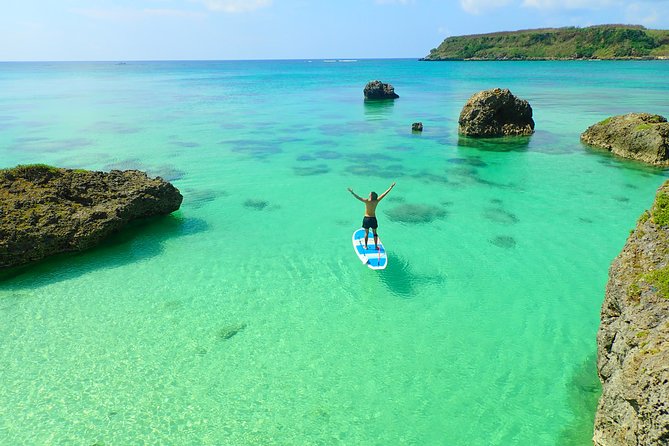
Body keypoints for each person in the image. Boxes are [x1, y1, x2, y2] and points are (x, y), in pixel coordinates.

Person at [347, 182, 396, 250]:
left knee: (366, 233)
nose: (368, 194)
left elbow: (358, 197)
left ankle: (366, 246)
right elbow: (384, 194)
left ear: (371, 196)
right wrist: (391, 187)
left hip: (366, 219)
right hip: (373, 219)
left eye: (369, 194)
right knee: (375, 233)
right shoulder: (376, 201)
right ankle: (376, 247)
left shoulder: (367, 201)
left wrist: (352, 192)